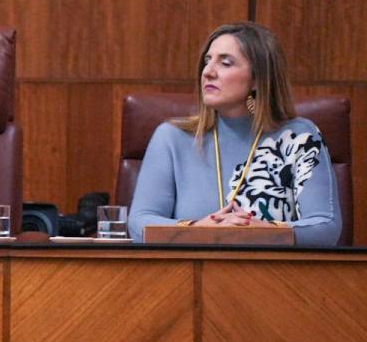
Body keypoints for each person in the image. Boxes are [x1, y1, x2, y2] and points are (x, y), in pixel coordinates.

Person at [128, 22, 340, 245]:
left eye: (225, 63)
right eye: (207, 61)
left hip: (274, 267)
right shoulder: (172, 138)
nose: (208, 72)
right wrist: (197, 230)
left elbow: (326, 228)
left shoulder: (299, 137)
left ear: (258, 79)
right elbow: (139, 224)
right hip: (192, 267)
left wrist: (264, 231)